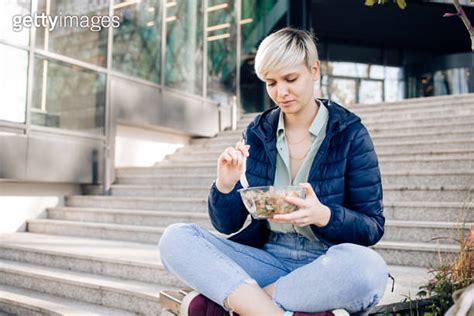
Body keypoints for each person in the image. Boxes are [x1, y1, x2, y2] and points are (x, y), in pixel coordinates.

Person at [159, 27, 389, 316]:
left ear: (314, 70)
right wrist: (226, 186)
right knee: (176, 239)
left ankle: (241, 305)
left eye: (291, 79)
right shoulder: (259, 132)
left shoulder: (350, 133)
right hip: (267, 259)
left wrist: (323, 215)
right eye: (271, 82)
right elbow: (227, 224)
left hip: (326, 264)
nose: (281, 92)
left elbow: (372, 226)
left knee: (368, 268)